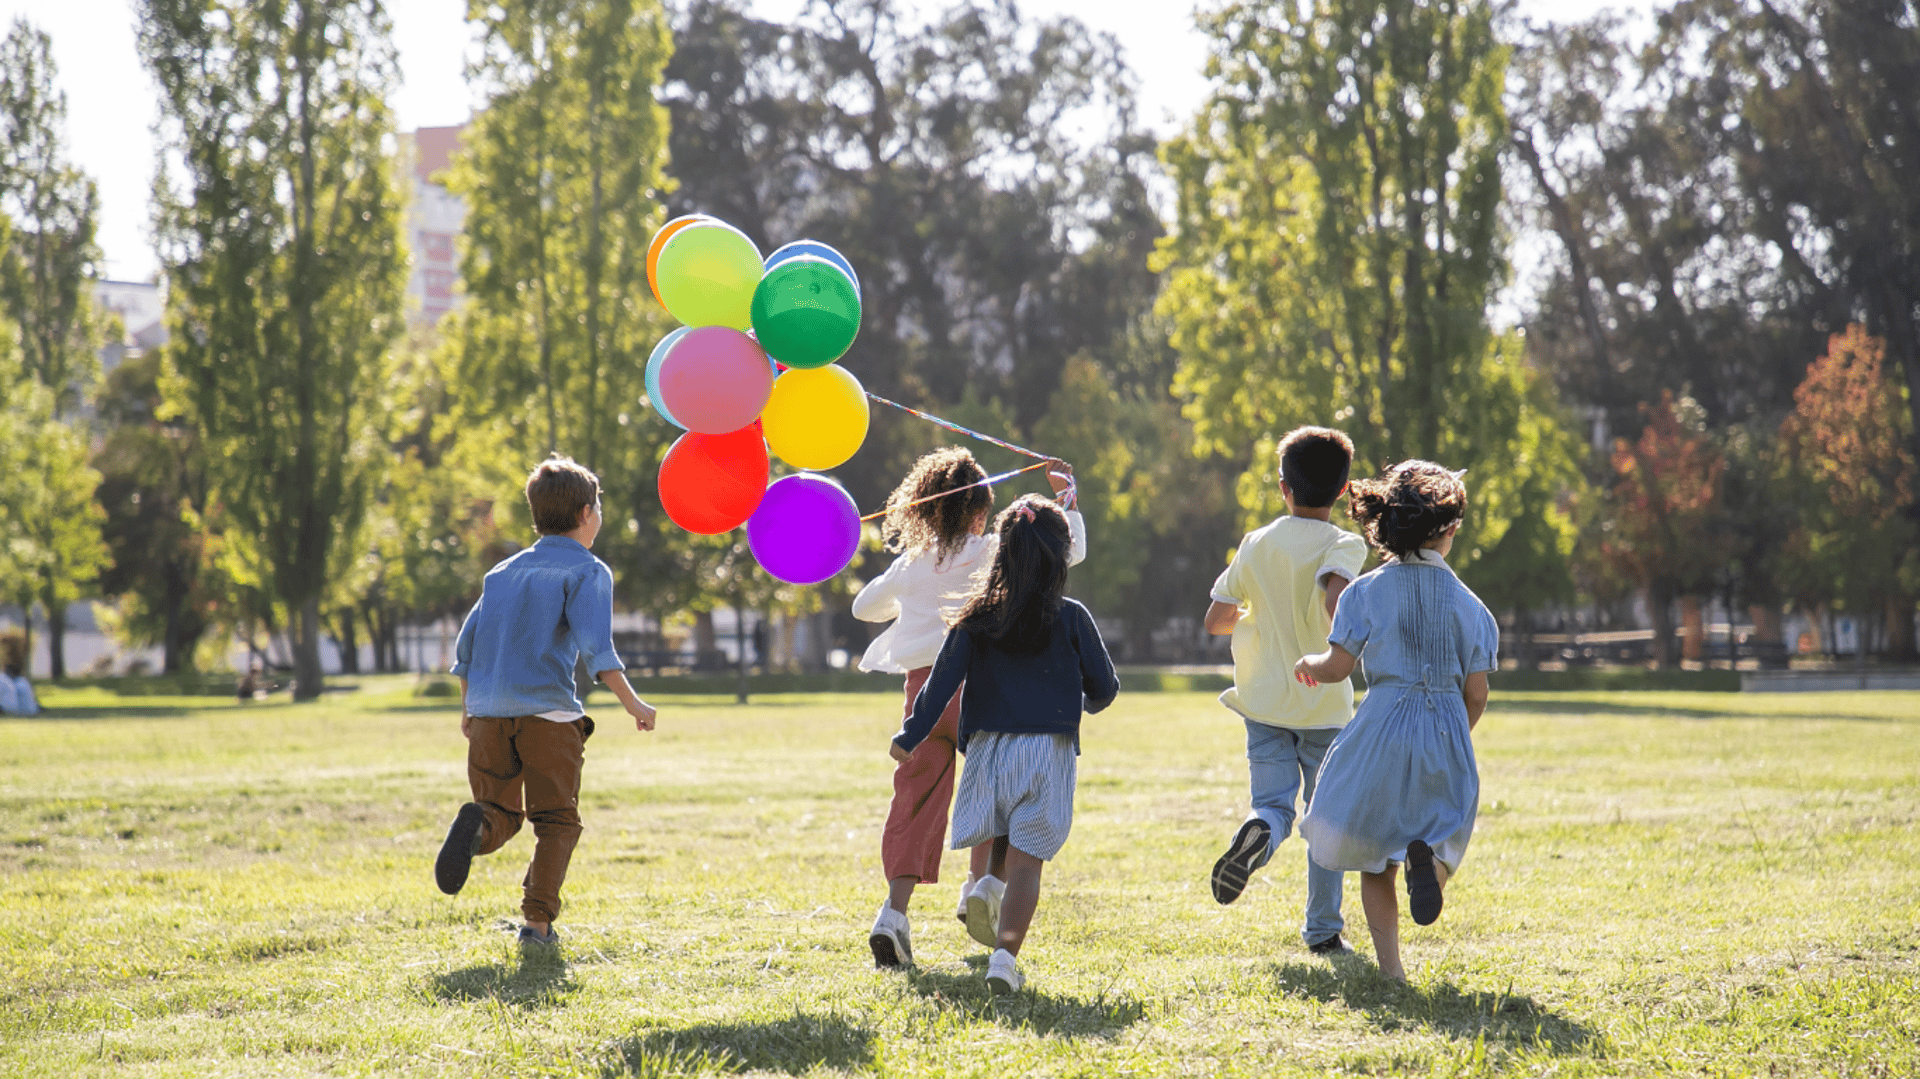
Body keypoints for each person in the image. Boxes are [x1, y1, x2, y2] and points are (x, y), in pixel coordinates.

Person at [854, 448, 1086, 969]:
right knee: (995, 795)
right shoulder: (991, 552)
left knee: (913, 802)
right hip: (981, 691)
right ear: (981, 511)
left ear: (925, 512)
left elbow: (862, 607)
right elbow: (1066, 553)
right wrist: (1066, 498)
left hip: (923, 699)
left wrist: (909, 584)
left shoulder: (912, 564)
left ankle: (893, 914)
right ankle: (979, 888)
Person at [890, 494, 1118, 994]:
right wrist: (1079, 702)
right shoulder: (1073, 616)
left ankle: (986, 885)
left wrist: (910, 734)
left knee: (999, 829)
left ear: (1002, 553)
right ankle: (1003, 961)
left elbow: (940, 685)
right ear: (1061, 557)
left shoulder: (976, 615)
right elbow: (1105, 687)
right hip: (1047, 753)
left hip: (989, 751)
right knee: (1028, 863)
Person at [435, 455, 659, 948]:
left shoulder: (502, 572)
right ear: (585, 514)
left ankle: (478, 826)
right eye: (598, 507)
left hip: (489, 714)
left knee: (500, 812)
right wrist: (635, 704)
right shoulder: (588, 570)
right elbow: (599, 652)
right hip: (548, 716)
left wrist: (469, 709)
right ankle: (536, 926)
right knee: (556, 820)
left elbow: (465, 648)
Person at [1295, 461, 1497, 982]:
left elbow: (1338, 668)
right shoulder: (1473, 608)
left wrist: (1308, 665)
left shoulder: (1363, 592)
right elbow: (1477, 693)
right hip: (1446, 727)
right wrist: (1454, 733)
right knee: (1443, 832)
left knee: (1373, 855)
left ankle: (1392, 973)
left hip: (1382, 726)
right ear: (1448, 530)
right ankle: (1429, 867)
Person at [1202, 426, 1367, 955]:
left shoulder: (1256, 542)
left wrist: (1259, 612)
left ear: (1283, 487)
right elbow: (1335, 597)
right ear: (1343, 491)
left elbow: (1216, 619)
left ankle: (1258, 832)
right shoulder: (1345, 542)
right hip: (1322, 702)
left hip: (1263, 701)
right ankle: (1322, 930)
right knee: (1326, 819)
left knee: (1273, 804)